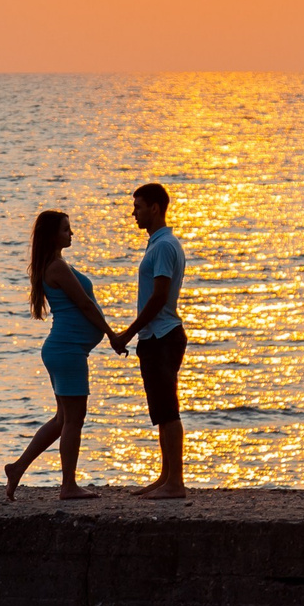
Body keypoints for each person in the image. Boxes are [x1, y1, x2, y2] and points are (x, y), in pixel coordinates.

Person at [4, 209, 124, 501]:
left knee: (62, 419)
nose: (71, 234)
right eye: (66, 229)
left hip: (63, 350)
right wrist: (112, 334)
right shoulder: (57, 267)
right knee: (73, 420)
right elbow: (84, 304)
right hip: (67, 351)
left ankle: (17, 468)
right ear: (52, 235)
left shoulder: (55, 264)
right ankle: (68, 485)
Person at [116, 182, 190, 498]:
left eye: (138, 207)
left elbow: (159, 296)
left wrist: (128, 333)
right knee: (161, 409)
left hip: (162, 335)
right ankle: (166, 476)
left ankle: (176, 482)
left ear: (155, 208)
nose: (134, 213)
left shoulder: (162, 246)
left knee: (167, 409)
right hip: (159, 334)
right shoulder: (161, 244)